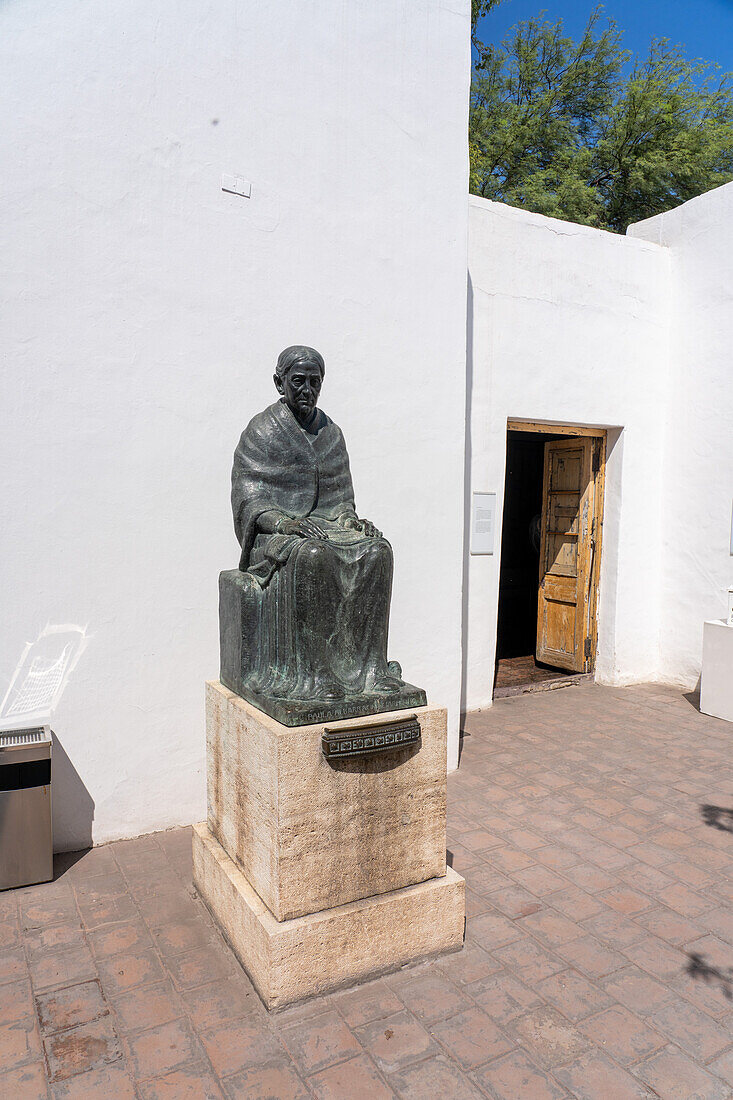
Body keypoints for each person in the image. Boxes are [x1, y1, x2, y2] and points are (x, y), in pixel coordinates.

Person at [229, 345, 403, 703]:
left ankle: (371, 670)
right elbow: (249, 496)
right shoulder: (261, 431)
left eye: (314, 382)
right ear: (279, 383)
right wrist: (284, 523)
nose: (307, 390)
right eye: (297, 382)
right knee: (311, 555)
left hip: (326, 526)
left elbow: (341, 498)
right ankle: (316, 677)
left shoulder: (331, 433)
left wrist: (351, 521)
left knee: (377, 552)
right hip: (274, 532)